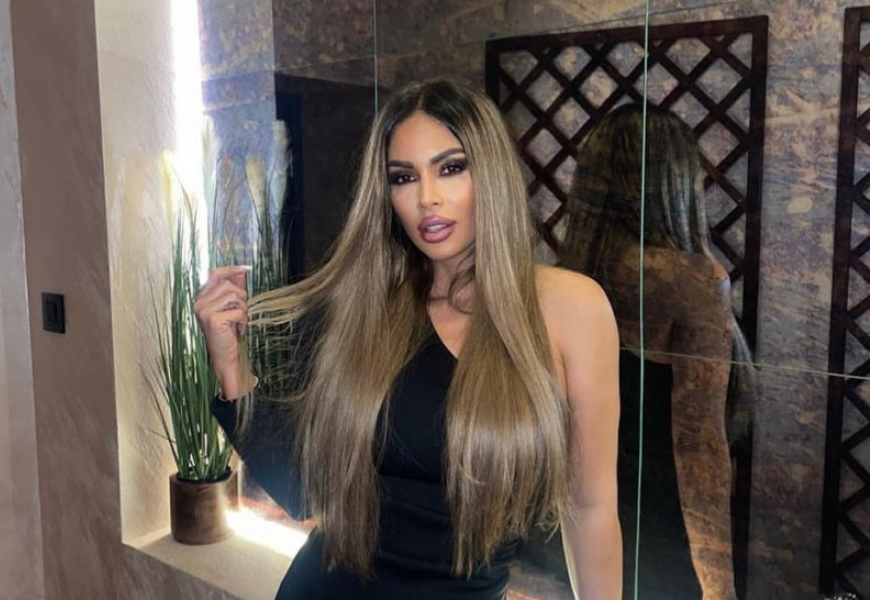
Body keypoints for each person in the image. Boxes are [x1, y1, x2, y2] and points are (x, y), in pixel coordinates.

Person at [195, 79, 622, 600]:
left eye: (451, 168)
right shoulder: (368, 310)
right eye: (403, 177)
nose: (427, 199)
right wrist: (230, 363)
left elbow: (591, 505)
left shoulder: (571, 309)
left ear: (491, 172)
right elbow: (304, 491)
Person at [561, 103, 754, 600]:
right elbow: (699, 445)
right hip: (658, 531)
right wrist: (720, 586)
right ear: (675, 182)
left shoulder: (569, 277)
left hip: (574, 524)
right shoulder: (690, 281)